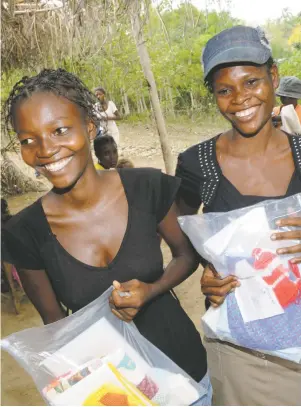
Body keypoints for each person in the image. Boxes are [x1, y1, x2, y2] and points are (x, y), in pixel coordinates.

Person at [2, 68, 211, 404]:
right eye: (28, 140)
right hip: (112, 390)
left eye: (59, 130)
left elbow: (187, 255)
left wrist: (153, 289)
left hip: (183, 372)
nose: (44, 150)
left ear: (89, 126)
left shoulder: (146, 187)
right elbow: (55, 325)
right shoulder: (25, 232)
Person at [175, 26, 301, 406]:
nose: (240, 98)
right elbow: (184, 237)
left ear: (273, 77)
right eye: (224, 90)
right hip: (246, 351)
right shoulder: (197, 163)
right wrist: (207, 273)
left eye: (251, 81)